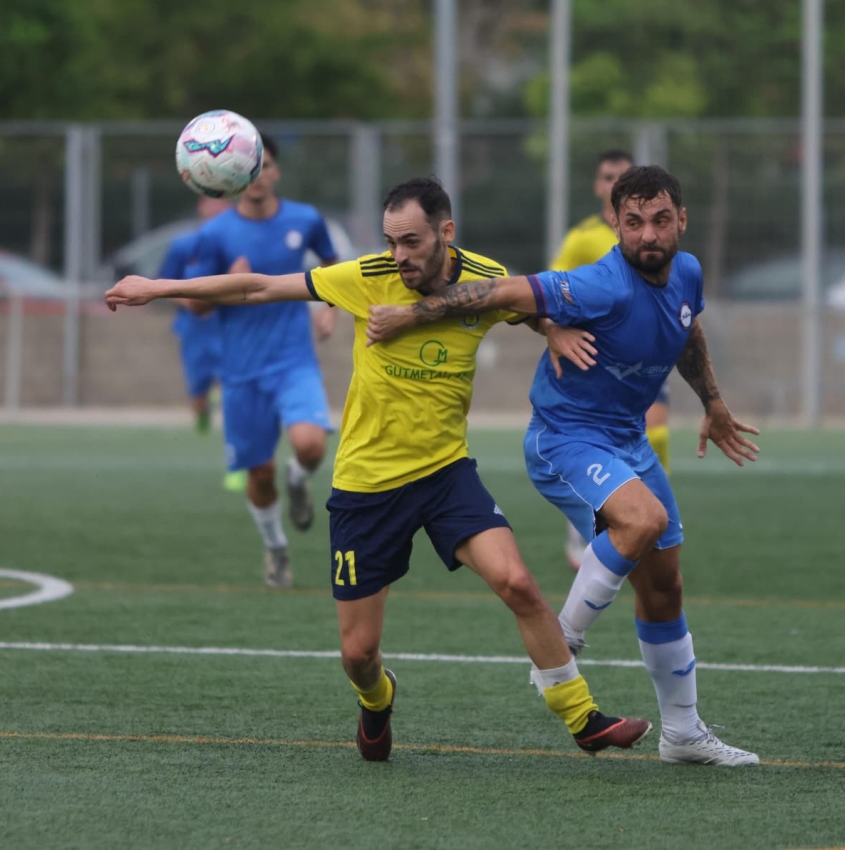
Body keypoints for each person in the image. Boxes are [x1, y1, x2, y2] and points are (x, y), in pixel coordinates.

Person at [105, 177, 652, 762]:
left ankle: (582, 718)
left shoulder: (483, 276)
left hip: (445, 475)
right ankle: (377, 700)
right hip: (366, 486)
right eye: (392, 241)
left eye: (411, 241)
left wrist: (553, 327)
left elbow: (523, 304)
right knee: (358, 655)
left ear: (446, 233)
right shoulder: (366, 278)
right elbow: (258, 287)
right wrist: (158, 286)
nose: (399, 255)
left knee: (518, 583)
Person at [364, 165, 762, 766]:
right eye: (633, 223)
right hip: (565, 438)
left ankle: (682, 733)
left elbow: (686, 327)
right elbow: (501, 294)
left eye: (659, 220)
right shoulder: (600, 284)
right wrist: (410, 314)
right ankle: (563, 643)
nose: (647, 235)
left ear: (681, 220)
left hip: (625, 438)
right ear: (615, 224)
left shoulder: (686, 272)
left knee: (664, 586)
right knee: (642, 521)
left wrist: (712, 400)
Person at [185, 132, 340, 589]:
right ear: (232, 176)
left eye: (265, 165)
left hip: (294, 361)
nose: (257, 176)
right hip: (240, 372)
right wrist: (223, 285)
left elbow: (334, 269)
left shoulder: (305, 220)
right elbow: (195, 306)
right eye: (248, 168)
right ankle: (275, 548)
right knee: (259, 472)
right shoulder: (215, 234)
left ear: (275, 171)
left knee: (311, 445)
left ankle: (299, 481)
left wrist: (328, 309)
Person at [551, 150, 672, 569]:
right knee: (601, 441)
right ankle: (591, 519)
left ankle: (644, 519)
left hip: (650, 353)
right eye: (607, 176)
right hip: (600, 362)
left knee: (655, 434)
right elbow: (550, 290)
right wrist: (556, 330)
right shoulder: (583, 237)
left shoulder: (652, 231)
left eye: (621, 175)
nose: (613, 182)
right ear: (598, 186)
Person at [157, 196, 247, 494]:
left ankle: (236, 465)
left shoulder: (238, 243)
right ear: (200, 206)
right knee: (198, 397)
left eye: (223, 204)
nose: (217, 209)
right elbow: (163, 284)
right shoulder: (184, 245)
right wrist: (192, 300)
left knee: (233, 395)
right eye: (212, 203)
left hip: (227, 329)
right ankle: (202, 411)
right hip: (194, 330)